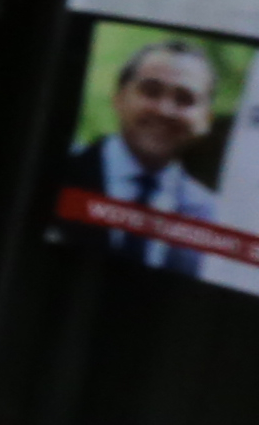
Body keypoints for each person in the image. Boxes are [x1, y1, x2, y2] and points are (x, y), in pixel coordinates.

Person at [61, 36, 228, 273]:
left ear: (206, 119)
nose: (164, 110)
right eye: (151, 91)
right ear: (118, 98)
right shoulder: (60, 172)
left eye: (184, 99)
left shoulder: (213, 216)